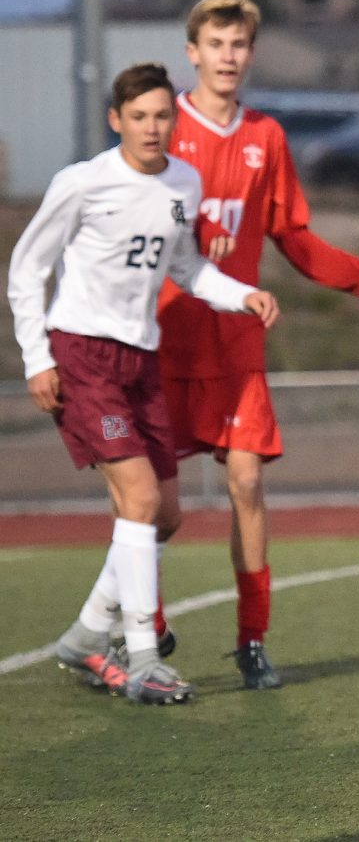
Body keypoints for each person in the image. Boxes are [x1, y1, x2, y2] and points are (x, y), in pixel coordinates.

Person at [7, 62, 280, 705]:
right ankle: (144, 656)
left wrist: (242, 295)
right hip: (82, 355)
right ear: (116, 120)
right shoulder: (82, 183)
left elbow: (186, 266)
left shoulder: (184, 181)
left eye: (162, 115)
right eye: (139, 117)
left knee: (165, 516)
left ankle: (83, 636)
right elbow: (26, 271)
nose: (152, 127)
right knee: (137, 496)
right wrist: (35, 358)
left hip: (141, 361)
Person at [155, 0, 359, 690]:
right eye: (215, 44)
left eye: (239, 45)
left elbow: (292, 237)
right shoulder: (162, 127)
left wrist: (358, 276)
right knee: (155, 509)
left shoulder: (267, 137)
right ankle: (145, 620)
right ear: (192, 51)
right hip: (165, 340)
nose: (228, 57)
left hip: (237, 345)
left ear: (250, 53)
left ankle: (252, 640)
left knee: (248, 481)